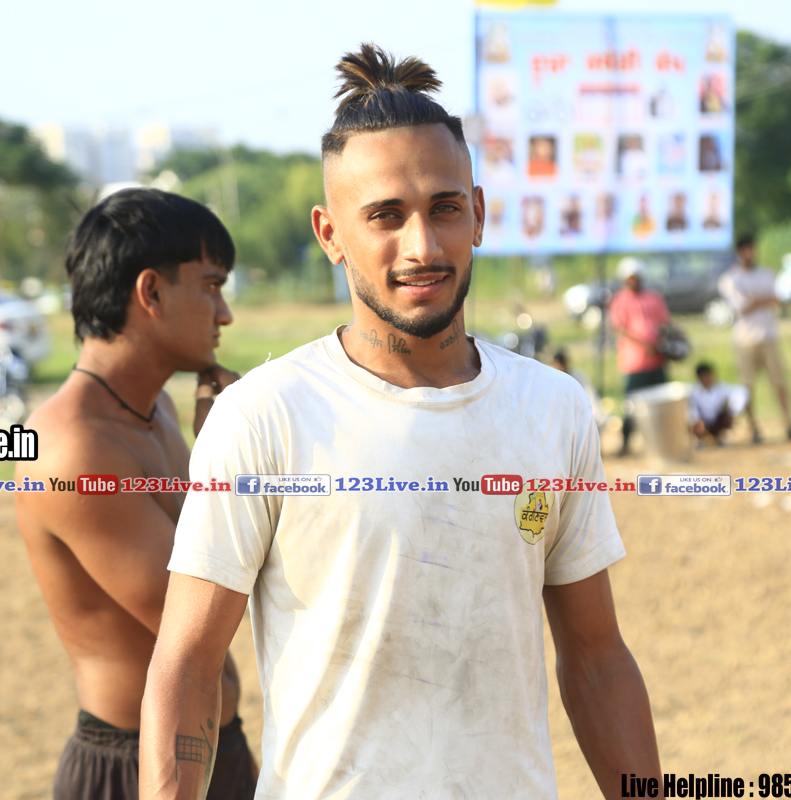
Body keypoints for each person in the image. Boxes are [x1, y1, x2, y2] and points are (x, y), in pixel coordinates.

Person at [140, 43, 661, 800]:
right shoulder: (263, 416)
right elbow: (187, 665)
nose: (422, 245)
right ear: (330, 235)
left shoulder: (553, 408)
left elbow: (597, 658)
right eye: (385, 216)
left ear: (477, 214)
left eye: (444, 208)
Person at [14, 189, 256, 800]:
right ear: (151, 292)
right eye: (210, 286)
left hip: (214, 742)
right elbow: (198, 614)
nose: (224, 313)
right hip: (132, 763)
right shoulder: (72, 449)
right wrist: (232, 464)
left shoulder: (157, 412)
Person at [717, 233, 791, 442]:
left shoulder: (767, 274)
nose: (750, 254)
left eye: (752, 249)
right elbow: (743, 306)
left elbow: (778, 300)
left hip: (768, 336)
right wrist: (764, 300)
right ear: (739, 252)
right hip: (745, 340)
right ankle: (753, 428)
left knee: (779, 383)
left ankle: (789, 424)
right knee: (747, 387)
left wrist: (757, 301)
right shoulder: (731, 278)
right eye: (745, 250)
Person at [609, 256, 670, 457]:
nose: (634, 281)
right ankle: (626, 443)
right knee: (631, 405)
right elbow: (620, 328)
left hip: (657, 360)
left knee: (662, 403)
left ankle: (661, 442)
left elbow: (664, 323)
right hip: (634, 362)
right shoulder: (620, 301)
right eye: (630, 278)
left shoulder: (654, 298)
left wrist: (663, 343)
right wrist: (644, 345)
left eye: (636, 277)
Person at [688, 362, 749, 446]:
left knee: (725, 414)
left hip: (717, 423)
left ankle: (721, 435)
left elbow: (740, 392)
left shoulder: (721, 388)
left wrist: (733, 411)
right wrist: (695, 420)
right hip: (702, 424)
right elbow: (691, 408)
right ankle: (700, 438)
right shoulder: (693, 392)